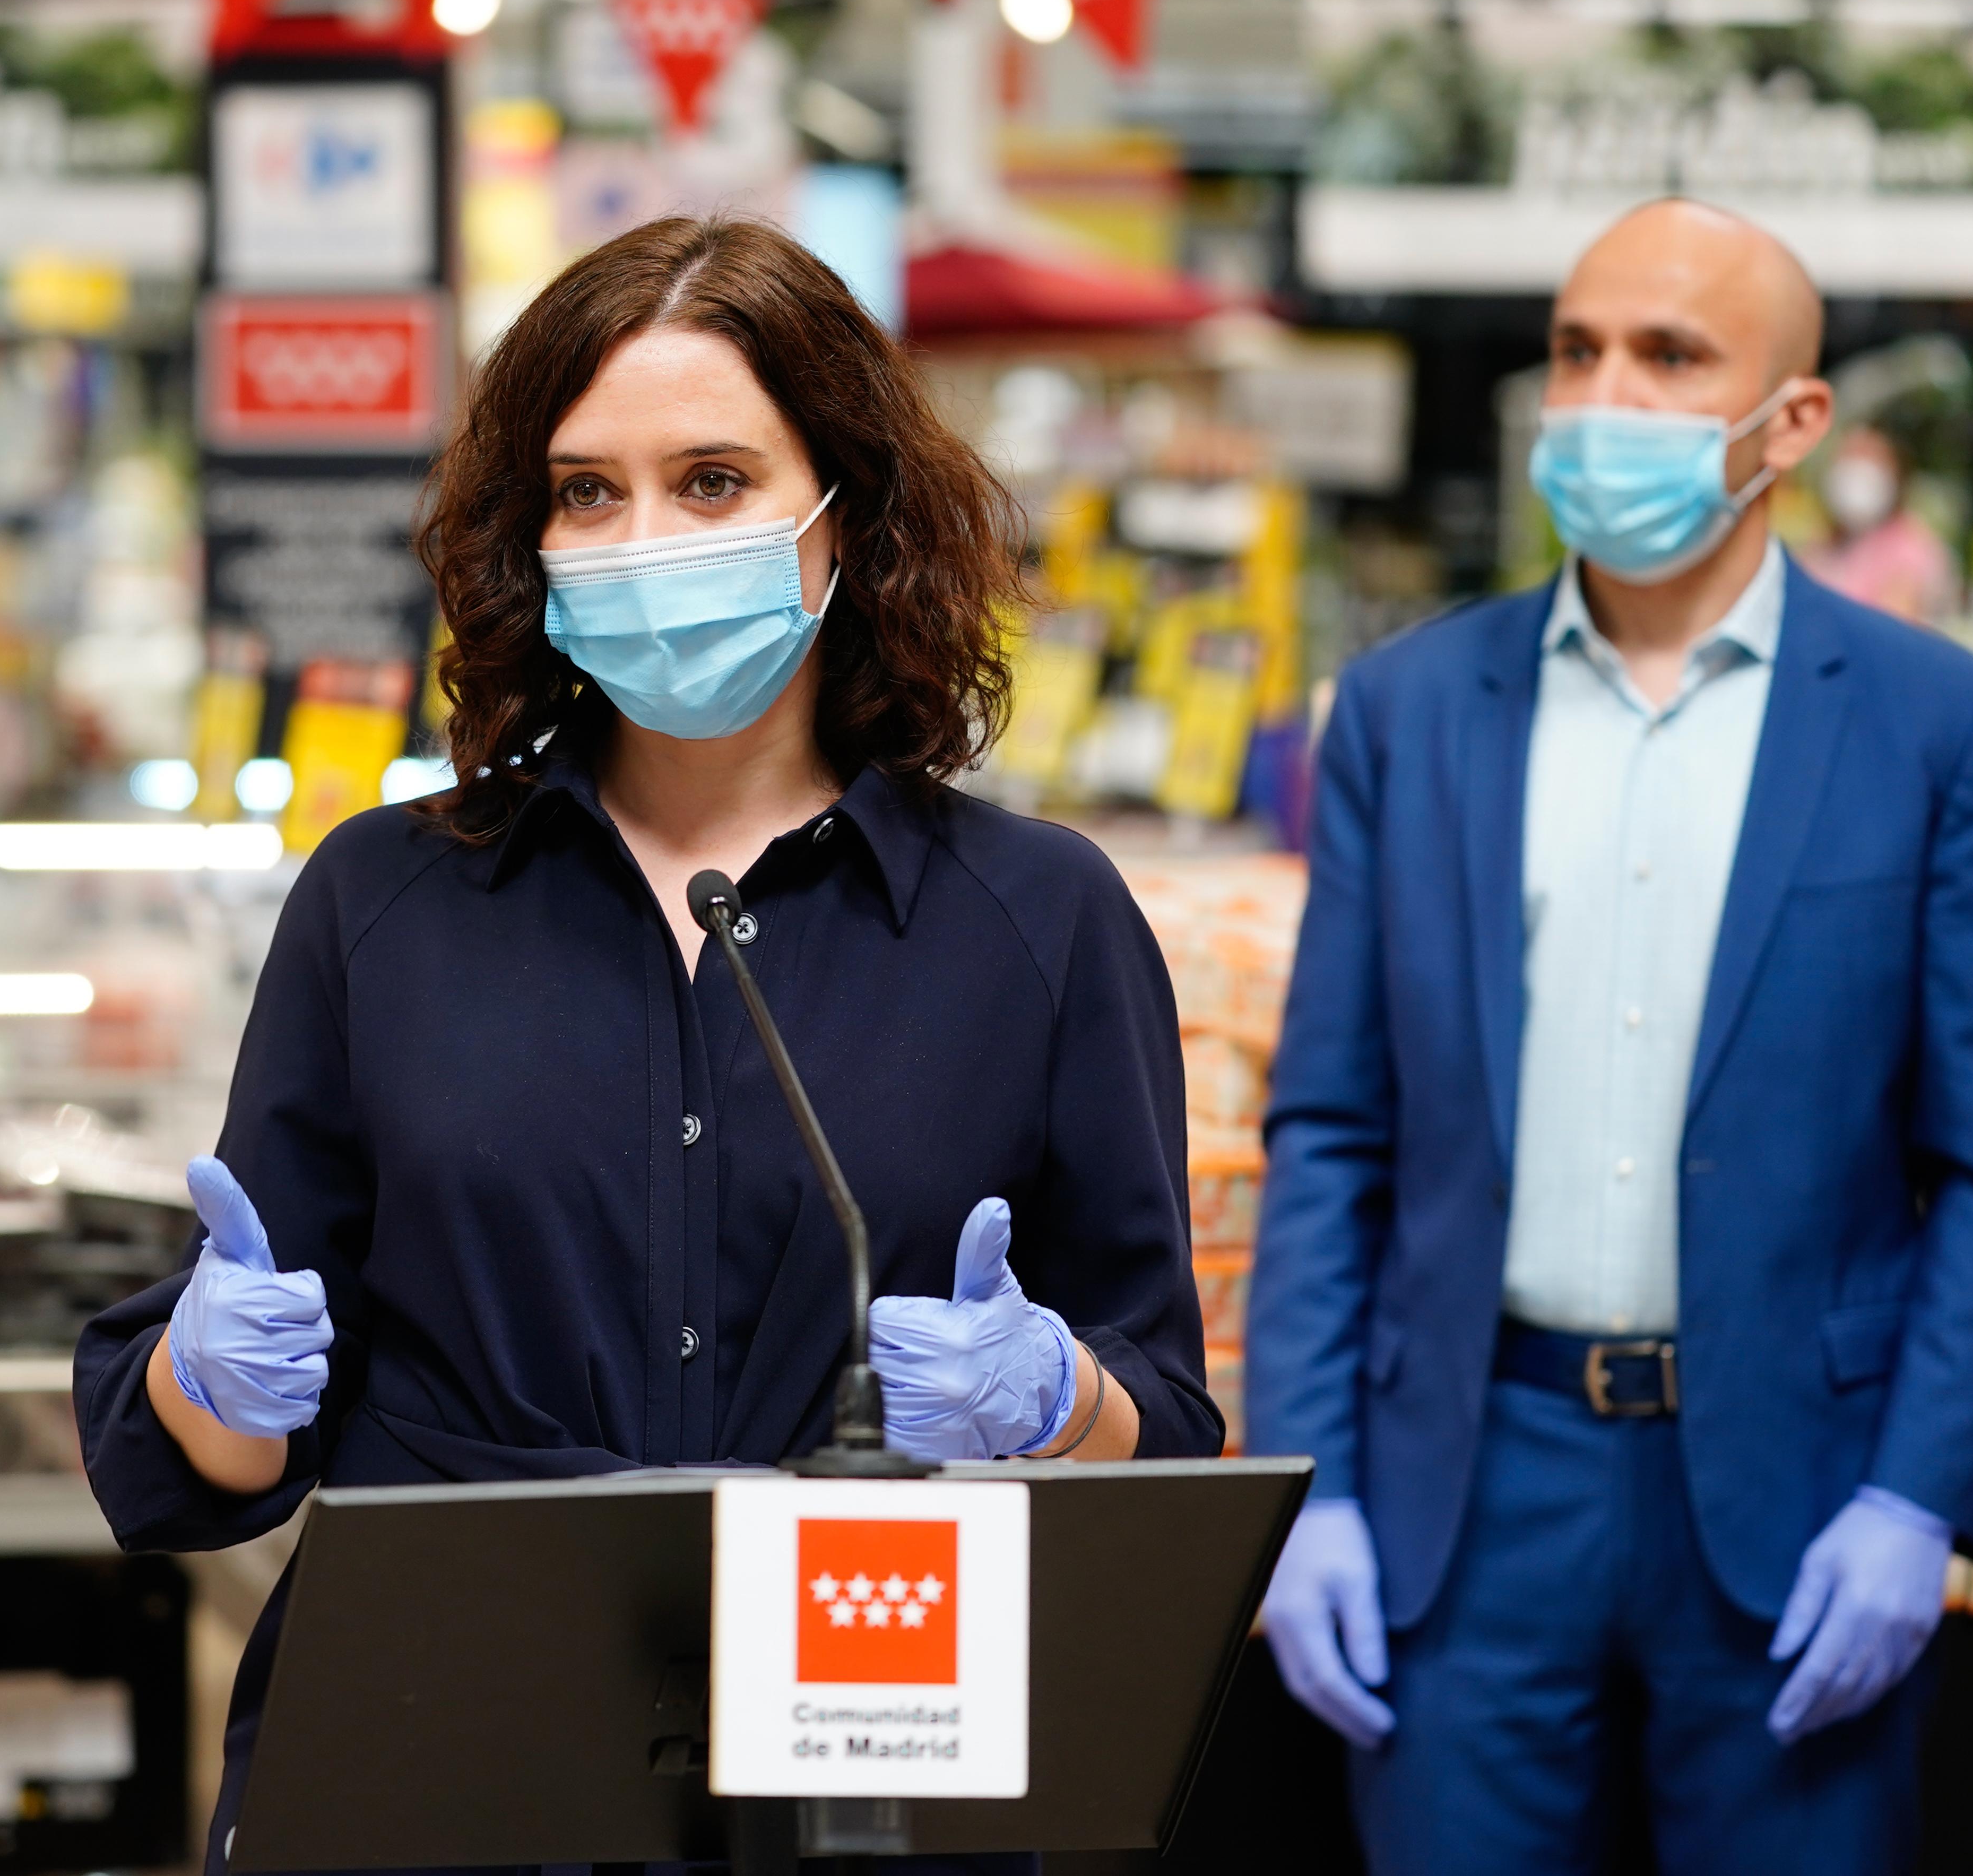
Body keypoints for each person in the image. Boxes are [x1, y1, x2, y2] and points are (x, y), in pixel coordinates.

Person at [75, 217, 1221, 1874]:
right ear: (525, 536)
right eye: (587, 491)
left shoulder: (1037, 922)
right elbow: (228, 1456)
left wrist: (1054, 1402)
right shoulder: (385, 901)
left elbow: (1162, 1435)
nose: (642, 536)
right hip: (446, 1744)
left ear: (844, 518)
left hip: (868, 1748)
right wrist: (207, 1369)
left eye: (710, 481)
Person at [1247, 199, 1973, 1872]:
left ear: (1791, 422)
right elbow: (1331, 1130)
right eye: (1574, 350)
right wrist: (1301, 1482)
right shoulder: (1404, 713)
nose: (1602, 394)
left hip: (1793, 1493)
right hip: (1462, 1496)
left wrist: (1915, 1496)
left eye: (1668, 356)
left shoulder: (1928, 729)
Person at [1808, 423, 1958, 628]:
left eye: (1869, 458)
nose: (1857, 470)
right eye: (1849, 457)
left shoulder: (1912, 551)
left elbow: (1893, 629)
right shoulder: (1827, 545)